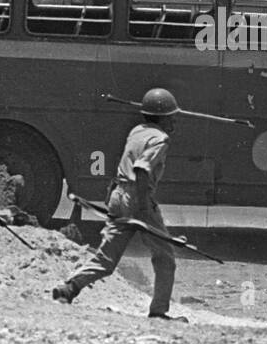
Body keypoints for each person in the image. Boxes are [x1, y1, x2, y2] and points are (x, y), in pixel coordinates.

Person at [53, 88, 182, 320]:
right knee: (165, 258)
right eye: (171, 115)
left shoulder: (137, 131)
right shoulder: (160, 139)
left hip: (118, 194)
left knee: (107, 258)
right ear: (162, 117)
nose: (175, 120)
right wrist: (144, 209)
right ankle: (159, 312)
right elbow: (142, 169)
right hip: (137, 198)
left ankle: (69, 288)